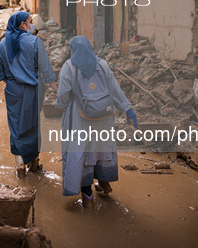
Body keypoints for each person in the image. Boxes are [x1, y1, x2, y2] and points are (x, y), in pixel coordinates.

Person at [56, 36, 137, 208]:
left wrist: (62, 106)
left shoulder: (69, 67)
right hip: (104, 117)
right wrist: (128, 109)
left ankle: (88, 197)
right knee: (101, 149)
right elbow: (114, 89)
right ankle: (103, 182)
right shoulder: (103, 64)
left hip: (80, 118)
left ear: (73, 50)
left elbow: (63, 96)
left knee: (82, 151)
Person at [0, 11, 58, 178]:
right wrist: (56, 90)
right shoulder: (36, 42)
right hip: (34, 90)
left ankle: (20, 165)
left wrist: (13, 80)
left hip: (13, 91)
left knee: (15, 126)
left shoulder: (3, 44)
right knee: (33, 124)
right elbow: (47, 70)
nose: (33, 24)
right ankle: (35, 162)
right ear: (23, 25)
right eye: (30, 21)